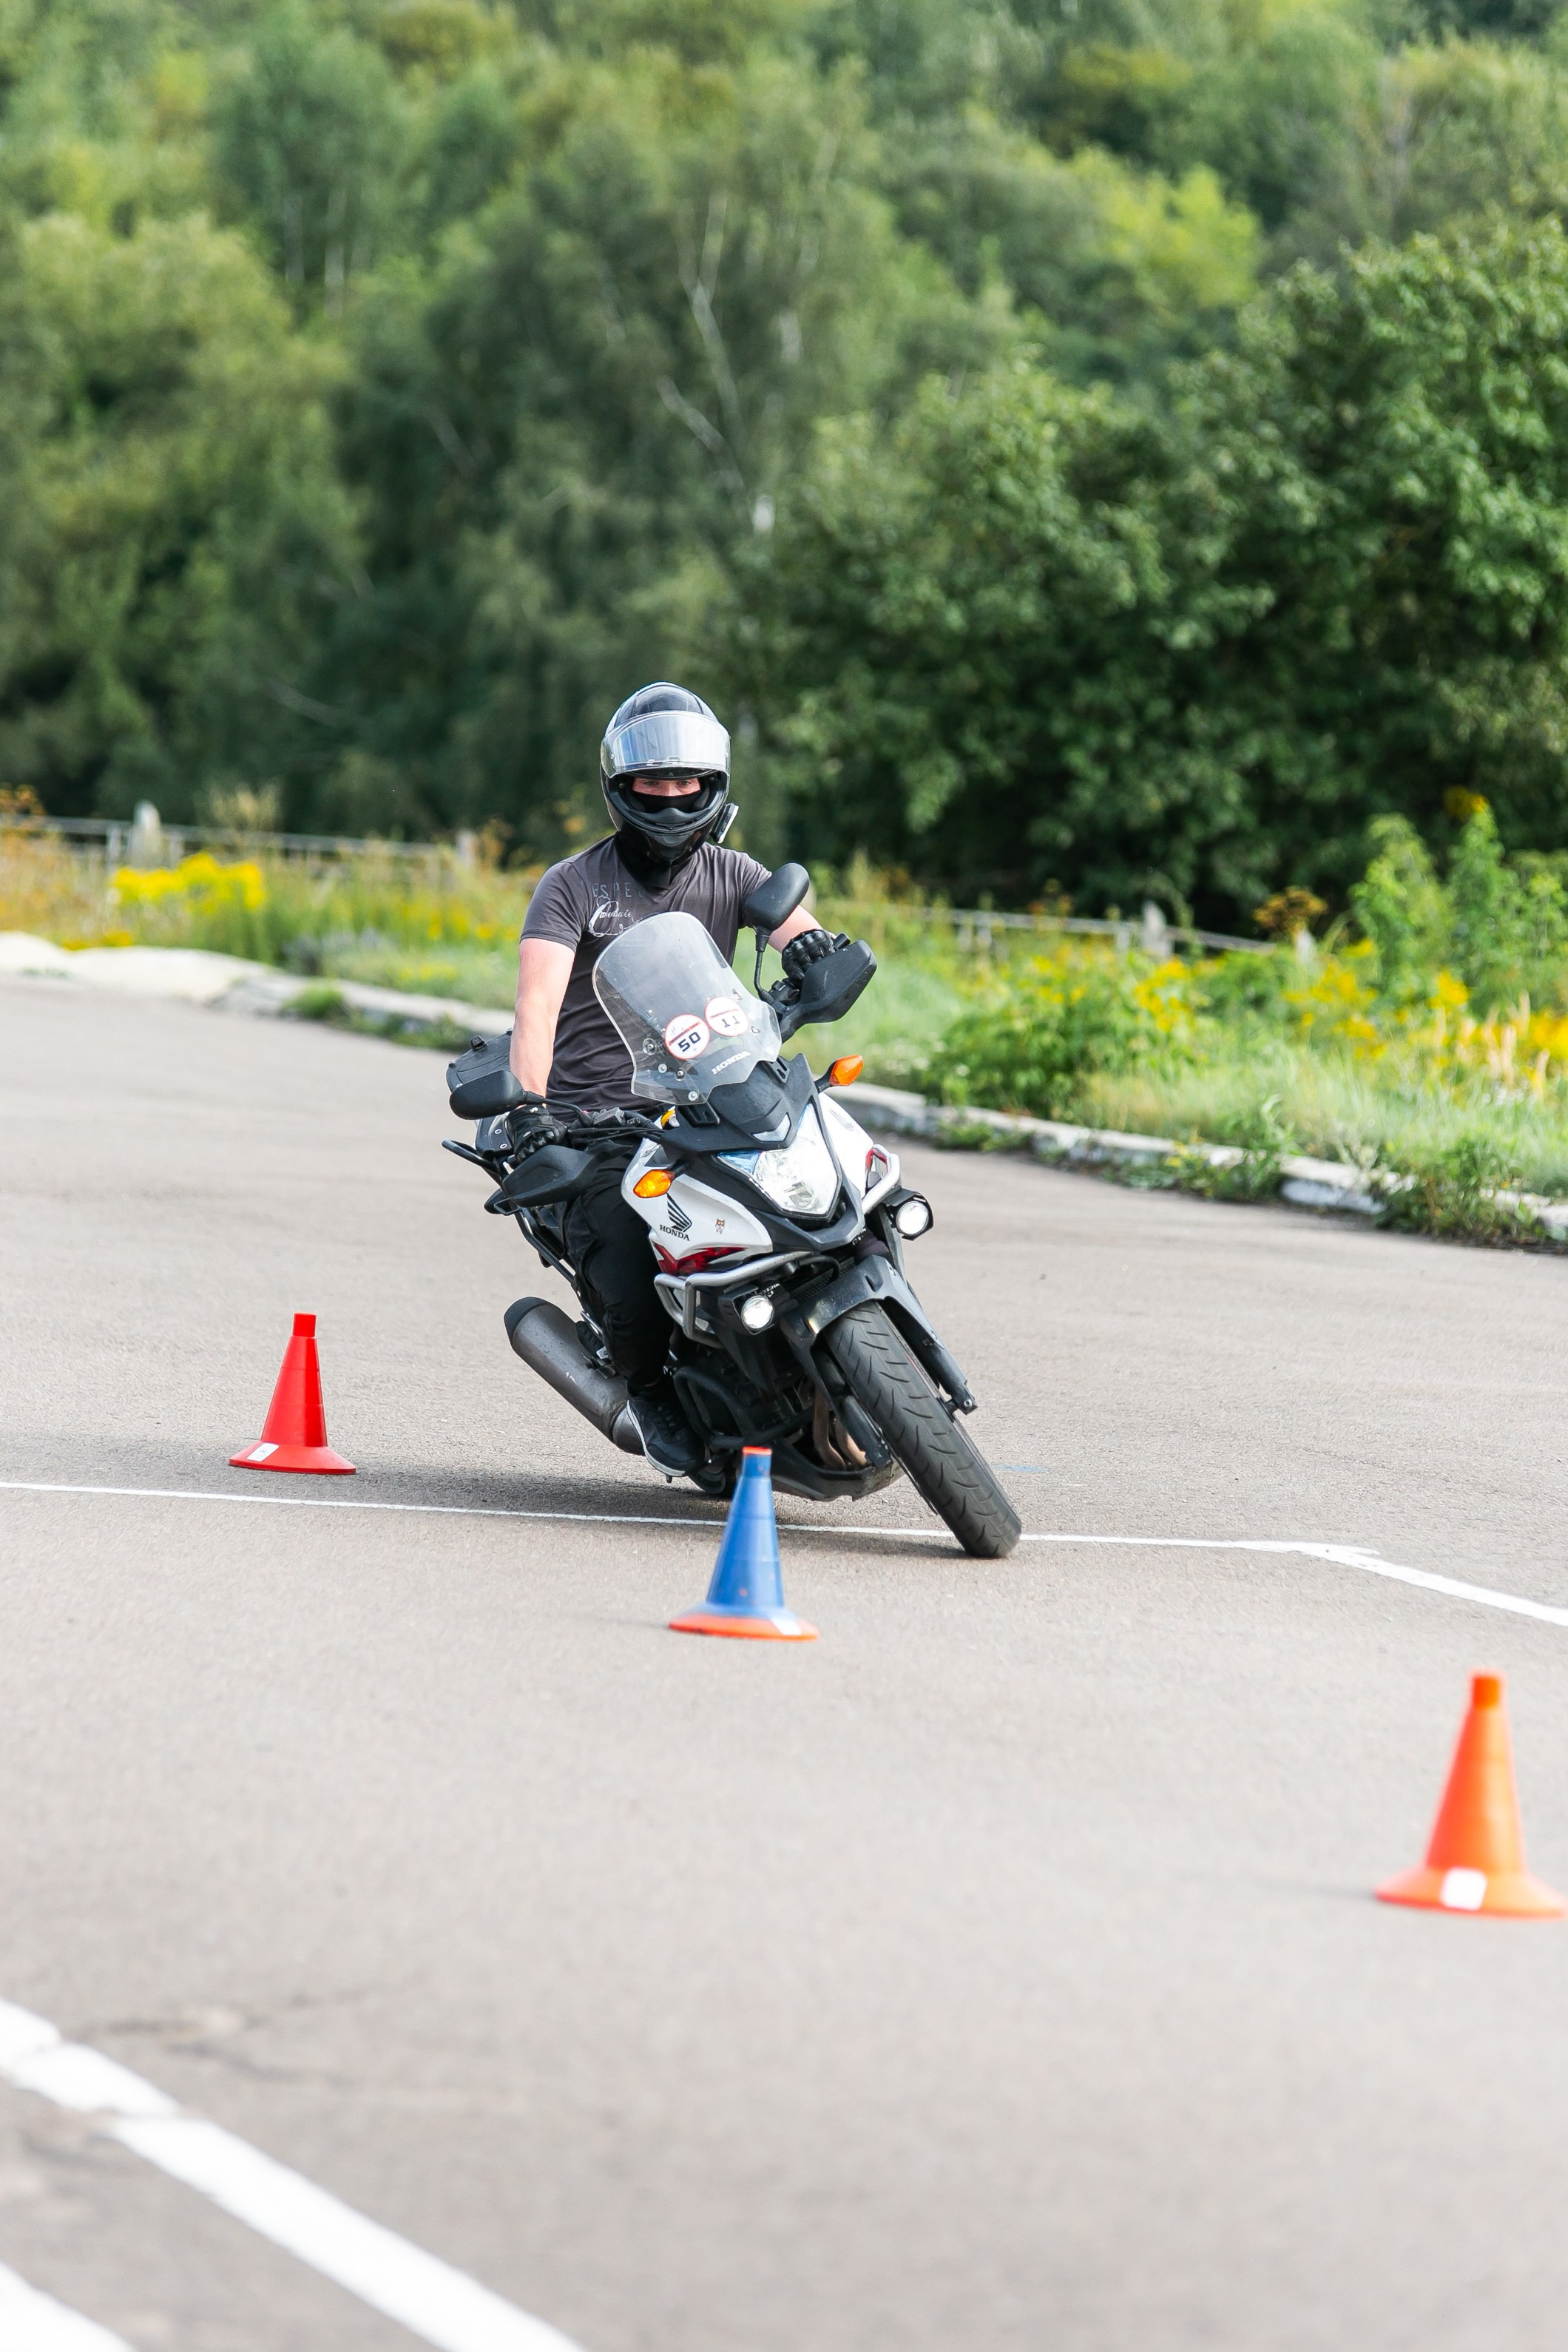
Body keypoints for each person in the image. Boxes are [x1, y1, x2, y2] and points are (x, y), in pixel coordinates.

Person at [507, 681, 840, 1475]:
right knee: (621, 1237)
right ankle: (648, 1385)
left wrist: (815, 952)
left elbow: (801, 929)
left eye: (683, 780)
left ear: (711, 785)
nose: (668, 795)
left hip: (710, 1092)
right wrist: (528, 1108)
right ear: (621, 787)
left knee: (822, 1174)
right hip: (599, 1117)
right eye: (650, 781)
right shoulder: (572, 886)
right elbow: (537, 1003)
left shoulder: (733, 871)